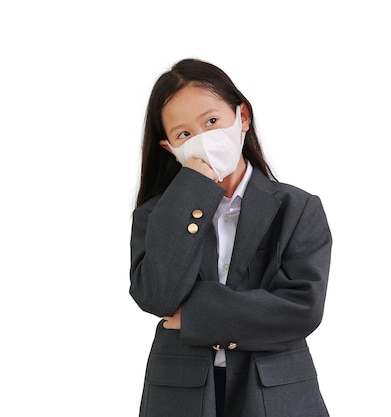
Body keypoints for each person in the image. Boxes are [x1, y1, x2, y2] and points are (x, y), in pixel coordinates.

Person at [129, 58, 332, 417]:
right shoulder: (155, 214)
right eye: (184, 135)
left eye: (211, 122)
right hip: (180, 393)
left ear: (243, 117)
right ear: (169, 147)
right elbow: (156, 297)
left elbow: (302, 310)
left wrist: (193, 315)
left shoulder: (297, 208)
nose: (203, 140)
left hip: (275, 393)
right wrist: (192, 191)